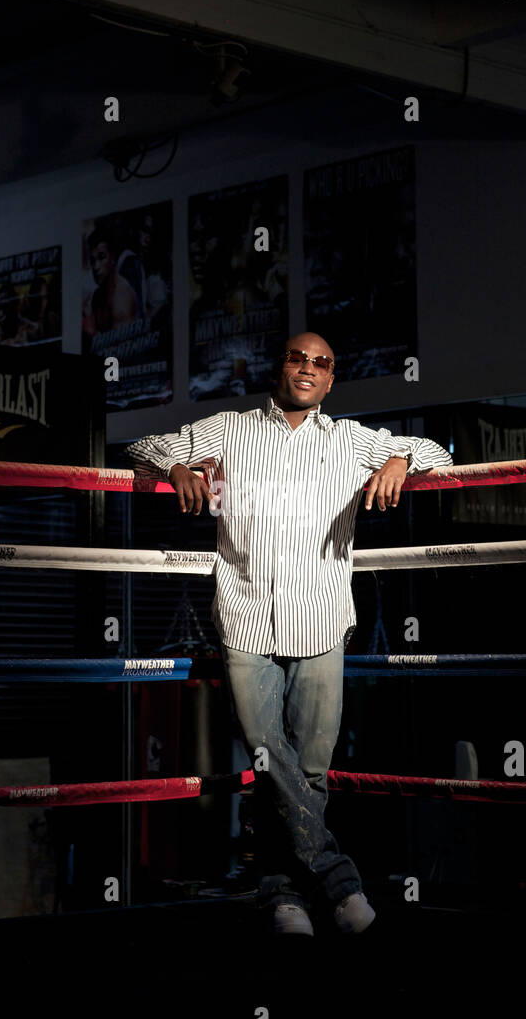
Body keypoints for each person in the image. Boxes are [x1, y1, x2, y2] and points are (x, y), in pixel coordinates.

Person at [127, 332, 453, 936]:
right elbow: (144, 444)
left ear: (331, 379)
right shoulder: (229, 429)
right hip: (246, 618)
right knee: (268, 756)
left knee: (311, 769)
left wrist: (401, 460)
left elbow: (440, 452)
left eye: (321, 363)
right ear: (279, 367)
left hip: (322, 620)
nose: (308, 368)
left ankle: (284, 895)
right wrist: (175, 468)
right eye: (297, 358)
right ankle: (340, 883)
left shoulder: (351, 440)